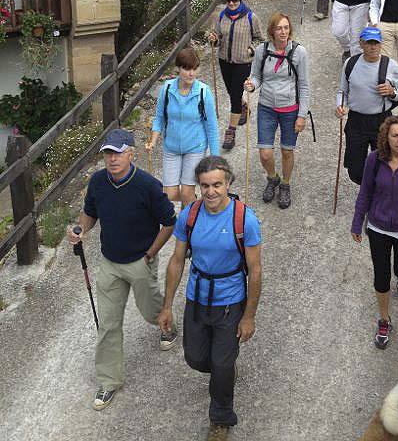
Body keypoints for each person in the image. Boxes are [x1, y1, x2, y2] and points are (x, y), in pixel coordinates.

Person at [66, 129, 177, 411]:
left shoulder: (148, 185)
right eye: (107, 153)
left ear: (131, 154)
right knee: (108, 324)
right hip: (110, 263)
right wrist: (81, 230)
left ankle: (167, 326)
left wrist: (151, 254)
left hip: (140, 262)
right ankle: (108, 381)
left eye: (117, 152)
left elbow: (169, 223)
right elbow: (90, 213)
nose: (112, 159)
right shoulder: (98, 182)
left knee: (150, 310)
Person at [158, 156, 262, 441]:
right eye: (205, 186)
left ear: (228, 184)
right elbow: (177, 260)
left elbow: (255, 271)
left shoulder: (245, 220)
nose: (211, 191)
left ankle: (221, 419)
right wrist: (167, 306)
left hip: (230, 301)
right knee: (195, 358)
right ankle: (223, 368)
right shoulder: (189, 216)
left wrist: (249, 316)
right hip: (197, 297)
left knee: (221, 365)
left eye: (217, 184)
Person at [351, 115, 398, 349]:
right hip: (378, 227)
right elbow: (365, 192)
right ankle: (384, 319)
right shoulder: (374, 160)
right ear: (386, 137)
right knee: (381, 275)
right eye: (395, 135)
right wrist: (357, 222)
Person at [244, 13, 309, 209]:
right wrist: (251, 85)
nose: (283, 32)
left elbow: (304, 85)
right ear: (272, 31)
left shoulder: (299, 52)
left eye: (286, 28)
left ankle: (285, 185)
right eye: (279, 28)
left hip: (290, 109)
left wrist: (302, 115)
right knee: (265, 153)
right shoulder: (261, 51)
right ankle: (273, 178)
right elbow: (256, 76)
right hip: (266, 107)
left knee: (287, 151)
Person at [336, 27, 398, 185]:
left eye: (376, 43)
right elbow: (342, 91)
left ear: (381, 44)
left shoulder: (390, 65)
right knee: (355, 170)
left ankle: (375, 197)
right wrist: (340, 106)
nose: (373, 46)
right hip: (356, 121)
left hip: (381, 121)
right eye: (369, 43)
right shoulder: (351, 63)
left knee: (384, 164)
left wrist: (392, 92)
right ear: (361, 44)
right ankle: (369, 188)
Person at [147, 47, 220, 206]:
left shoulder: (203, 92)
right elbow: (159, 118)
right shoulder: (166, 89)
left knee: (187, 192)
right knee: (170, 194)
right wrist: (153, 141)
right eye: (187, 69)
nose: (191, 73)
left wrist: (215, 158)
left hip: (195, 147)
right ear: (178, 69)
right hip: (171, 148)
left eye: (195, 68)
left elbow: (212, 127)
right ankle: (197, 203)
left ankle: (191, 225)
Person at [208, 0, 263, 151]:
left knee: (235, 95)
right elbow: (216, 36)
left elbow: (260, 40)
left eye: (235, 0)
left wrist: (251, 49)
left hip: (243, 63)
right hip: (224, 60)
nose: (231, 3)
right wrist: (213, 39)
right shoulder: (221, 16)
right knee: (231, 92)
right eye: (228, 0)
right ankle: (243, 107)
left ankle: (230, 133)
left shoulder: (251, 17)